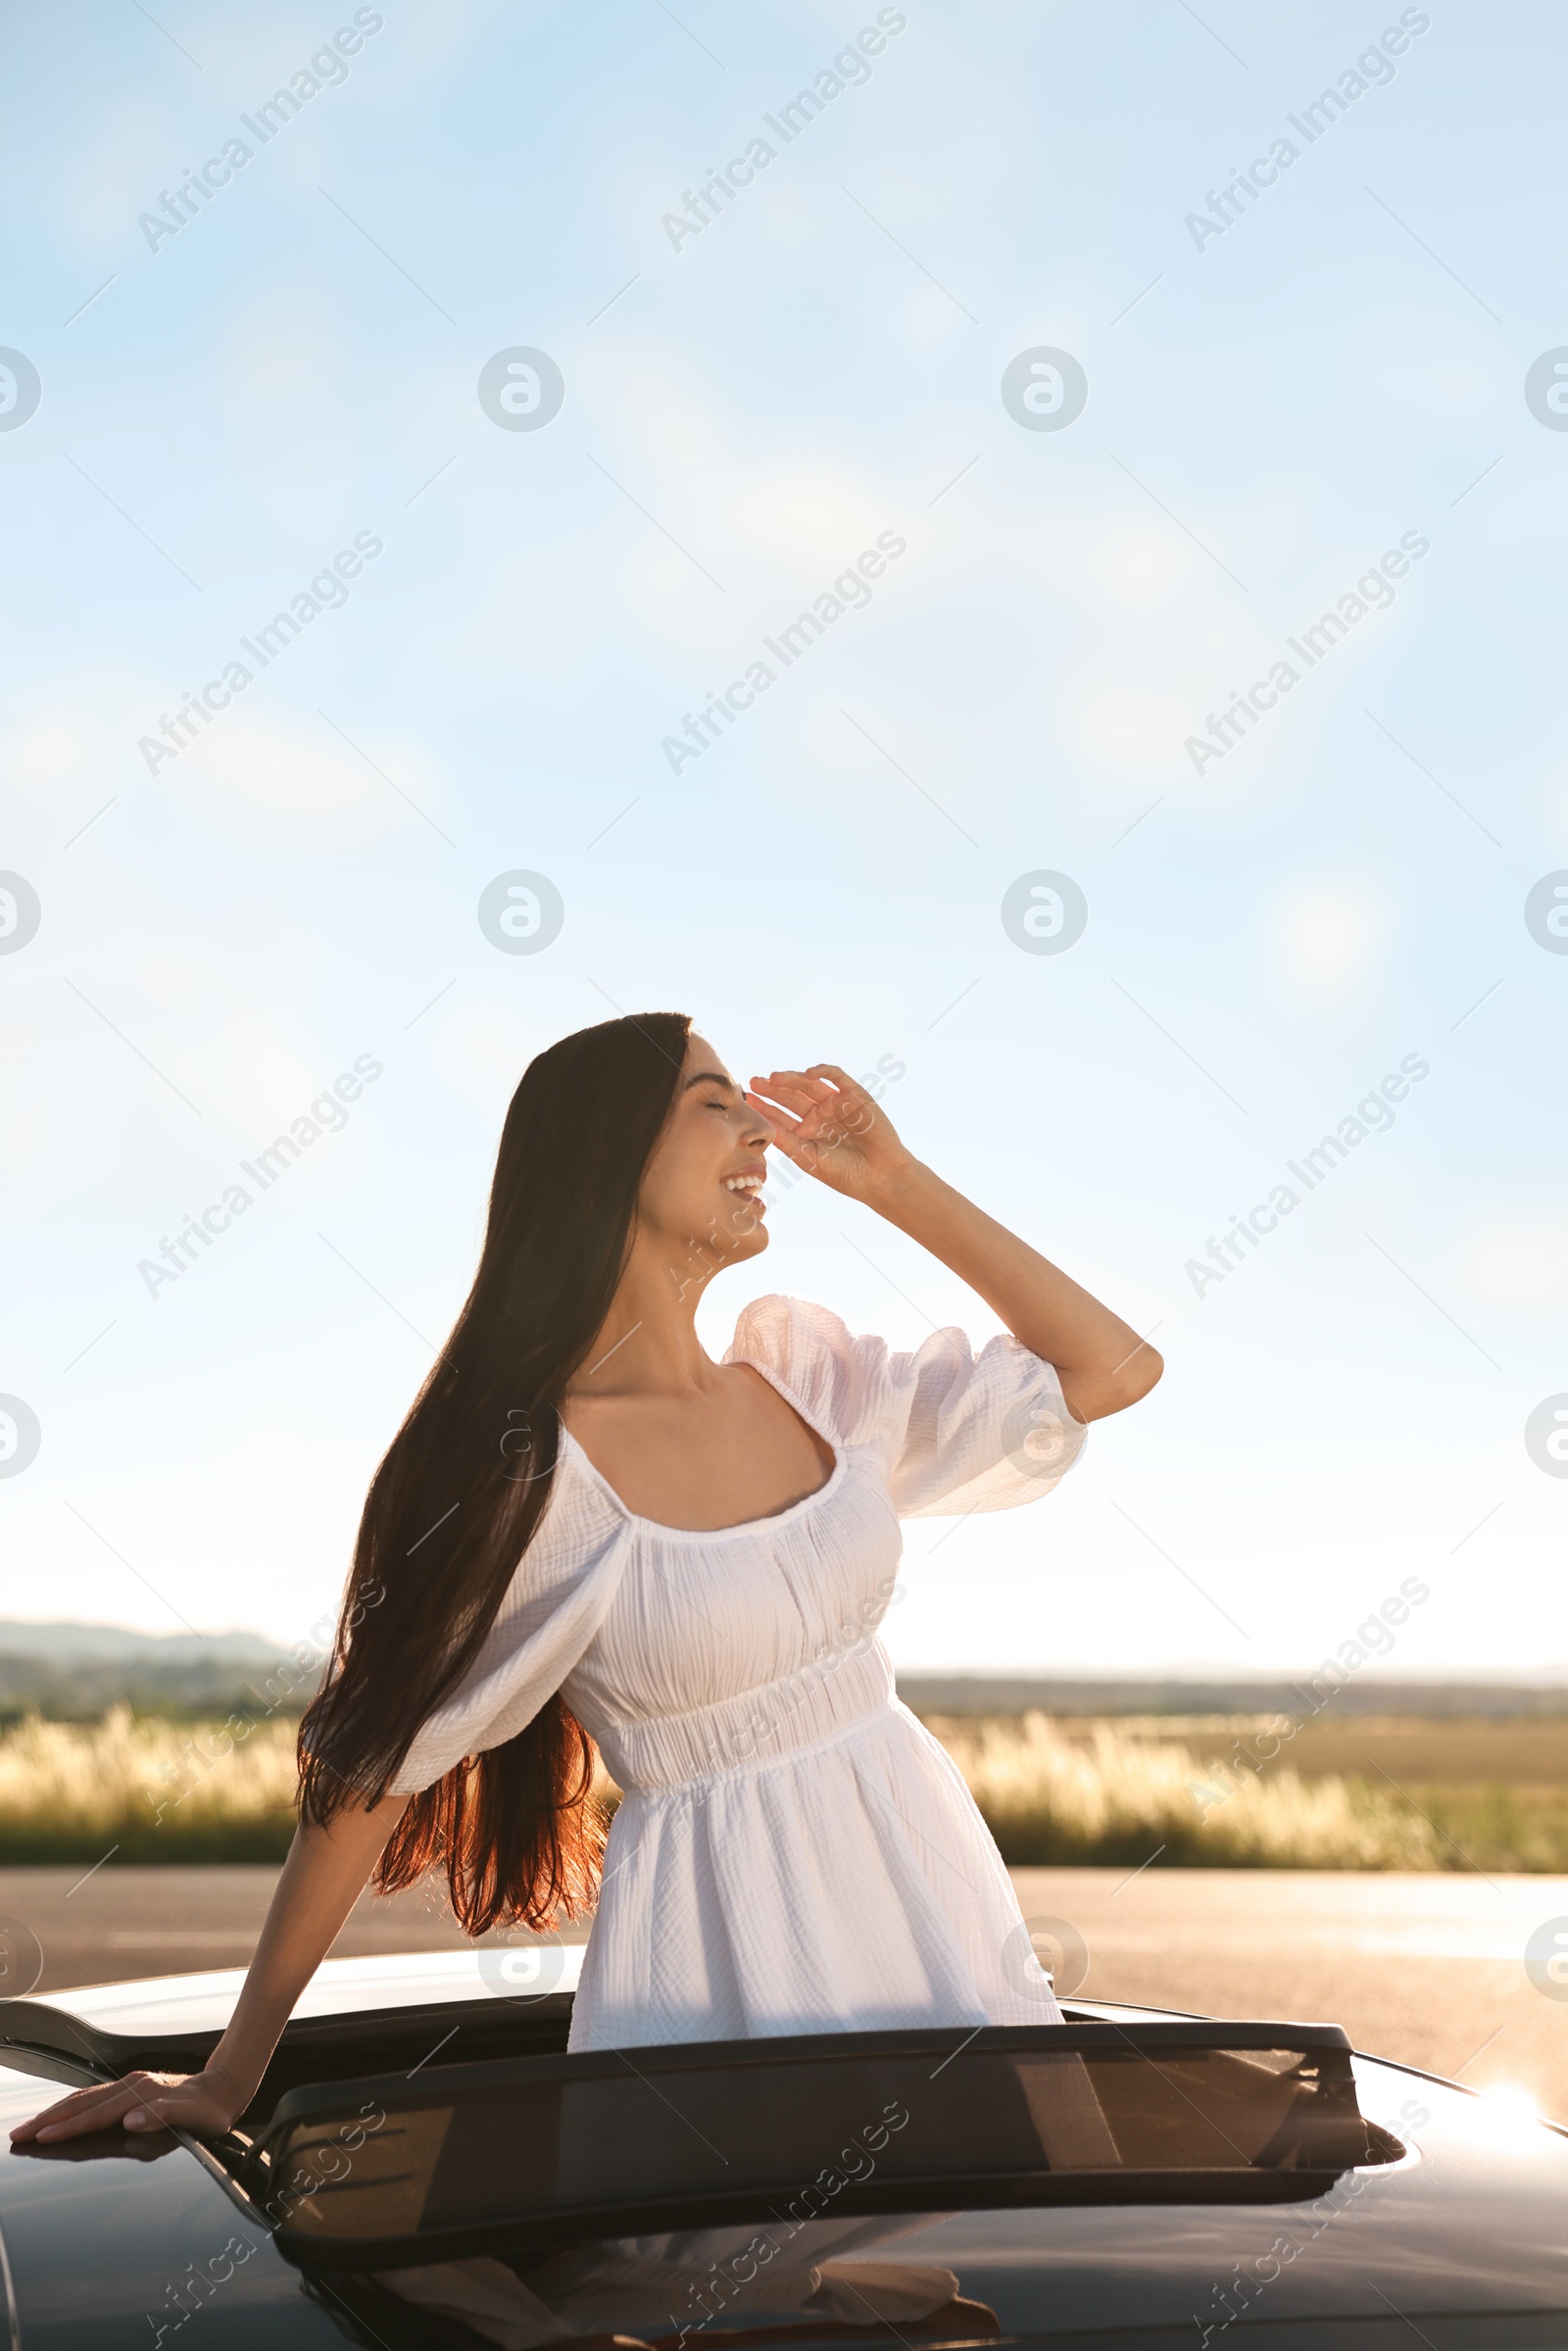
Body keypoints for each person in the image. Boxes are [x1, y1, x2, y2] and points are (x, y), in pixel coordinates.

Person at [13, 1011, 1161, 2146]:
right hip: (725, 1965)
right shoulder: (534, 1477)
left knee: (992, 2282)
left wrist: (895, 1180)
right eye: (716, 1105)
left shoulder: (814, 1381)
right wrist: (230, 2073)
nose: (759, 1134)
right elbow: (369, 1769)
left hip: (934, 1912)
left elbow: (1111, 1365)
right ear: (601, 1154)